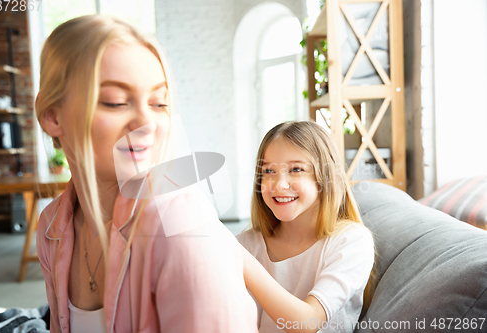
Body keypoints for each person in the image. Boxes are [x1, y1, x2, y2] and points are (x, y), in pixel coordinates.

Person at [35, 15, 258, 333]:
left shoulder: (179, 225)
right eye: (116, 102)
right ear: (52, 115)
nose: (147, 124)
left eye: (158, 103)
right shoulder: (52, 227)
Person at [237, 121, 375, 332]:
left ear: (325, 177)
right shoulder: (247, 243)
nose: (279, 184)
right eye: (269, 171)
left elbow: (306, 323)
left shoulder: (351, 241)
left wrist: (242, 260)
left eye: (296, 169)